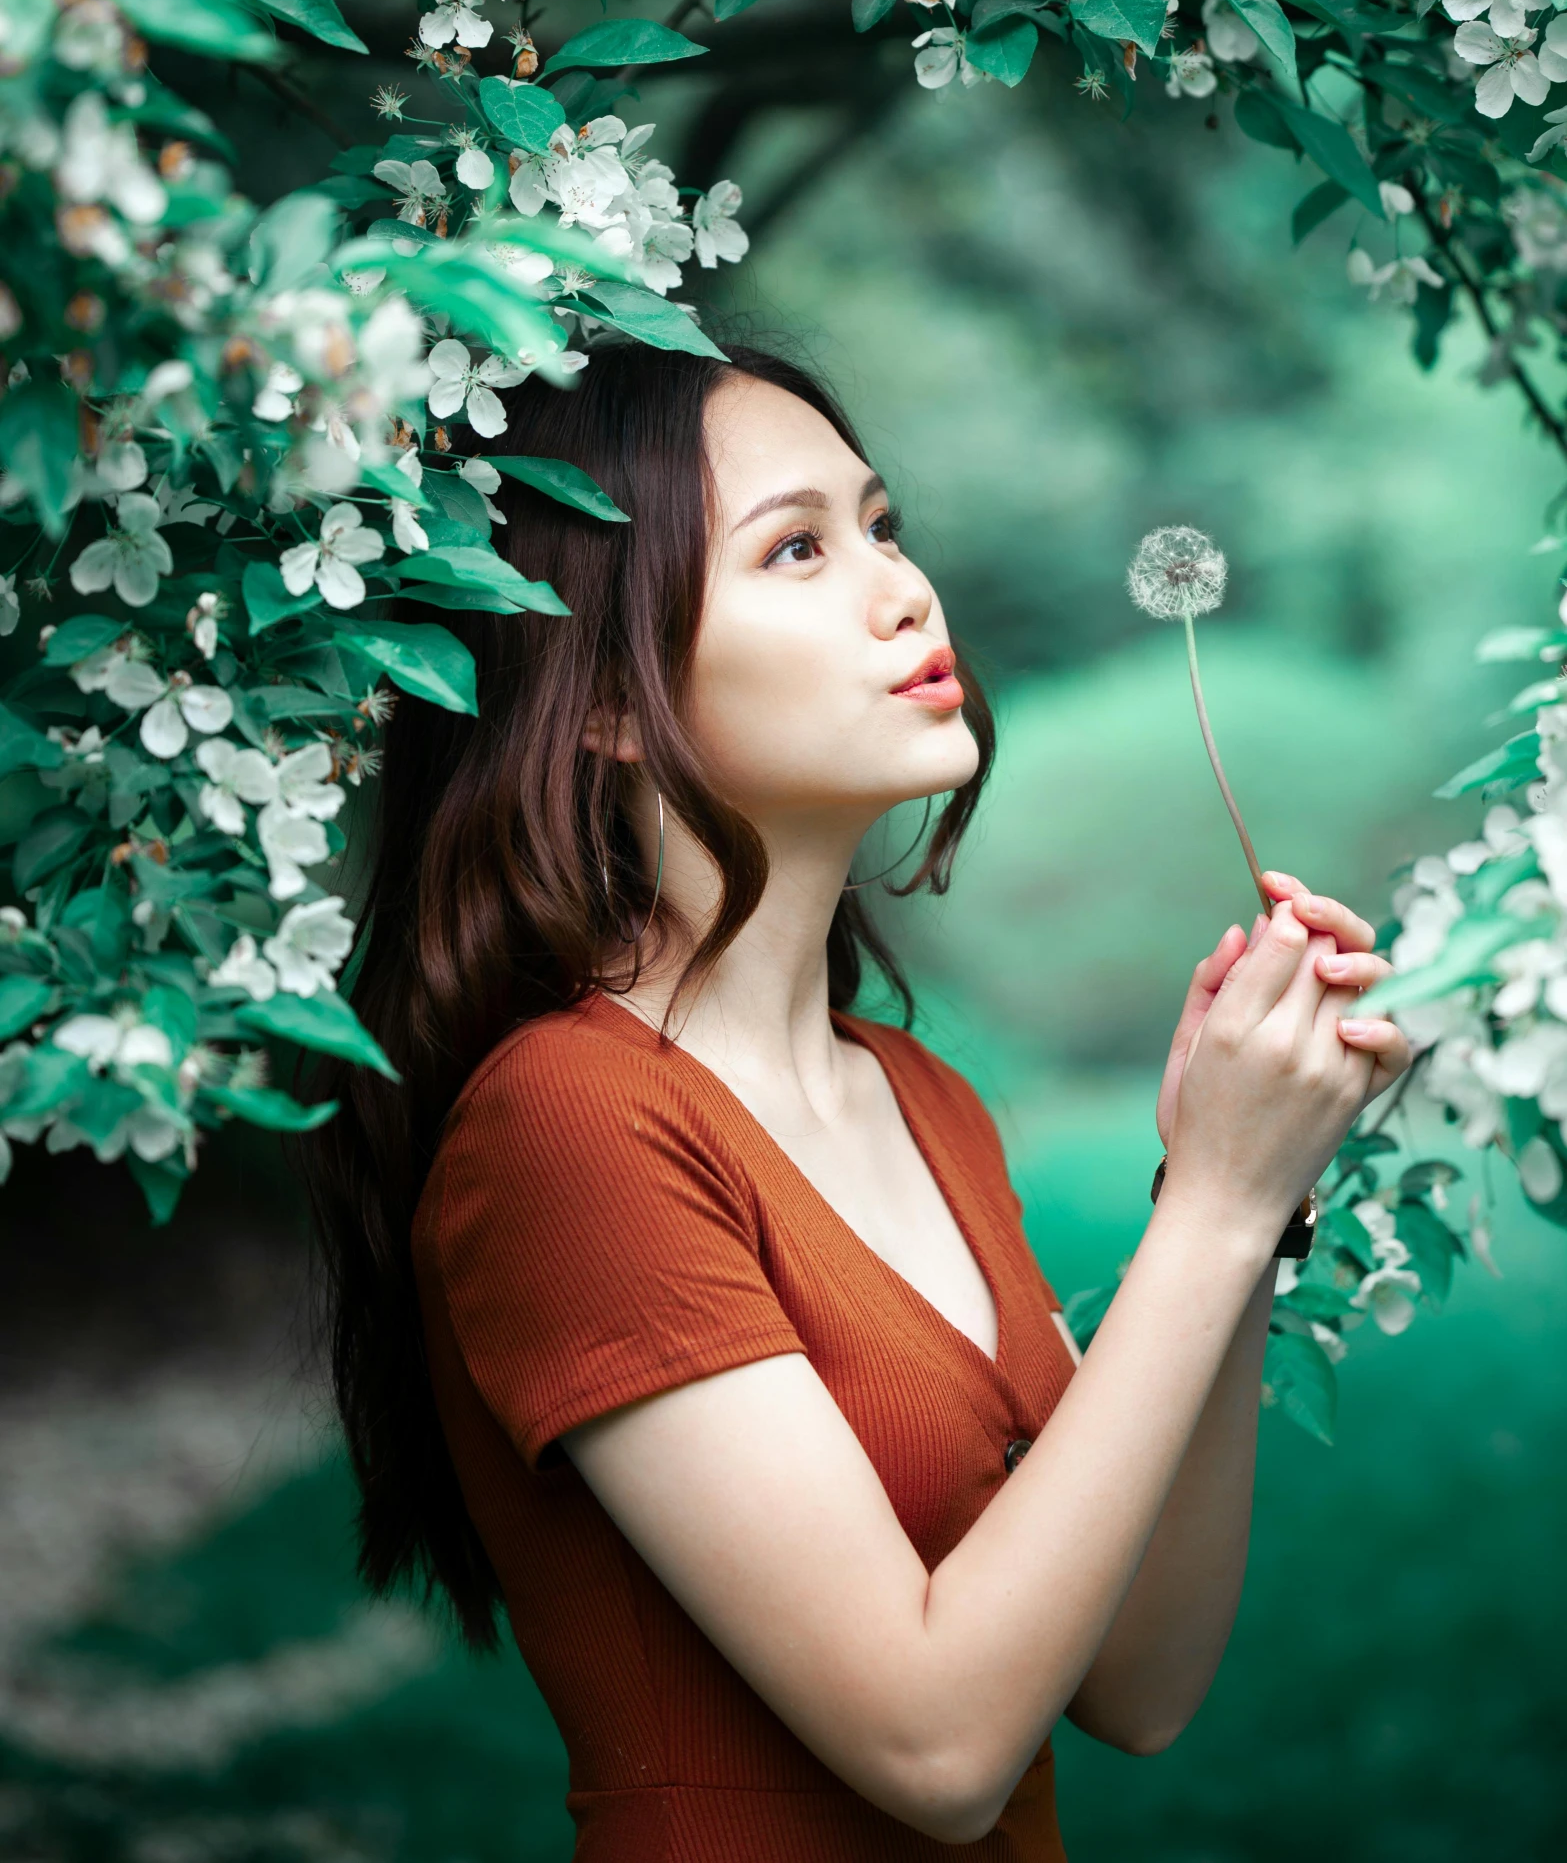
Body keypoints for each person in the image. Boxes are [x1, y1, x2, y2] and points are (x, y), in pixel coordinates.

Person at [308, 340, 1410, 1861]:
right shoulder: (566, 1123)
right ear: (607, 701)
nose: (901, 590)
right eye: (798, 548)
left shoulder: (918, 1094)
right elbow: (937, 1740)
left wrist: (1230, 1193)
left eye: (882, 527)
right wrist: (1214, 1210)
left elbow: (1136, 1682)